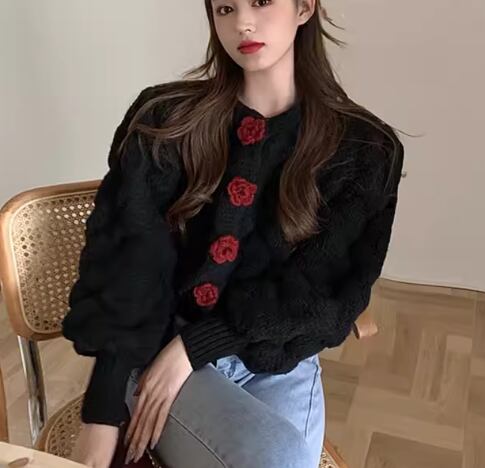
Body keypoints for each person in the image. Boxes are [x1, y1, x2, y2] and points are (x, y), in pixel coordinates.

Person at [61, 0, 406, 467]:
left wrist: (196, 347)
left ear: (305, 7)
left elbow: (327, 292)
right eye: (225, 7)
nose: (242, 22)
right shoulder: (165, 121)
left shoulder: (365, 150)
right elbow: (127, 266)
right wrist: (101, 417)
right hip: (156, 350)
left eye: (261, 2)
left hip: (278, 359)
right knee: (278, 457)